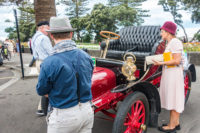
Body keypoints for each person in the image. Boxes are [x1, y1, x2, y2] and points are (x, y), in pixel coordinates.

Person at [36, 16, 94, 133]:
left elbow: (41, 91)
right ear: (71, 34)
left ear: (52, 35)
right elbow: (88, 78)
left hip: (64, 116)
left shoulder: (48, 62)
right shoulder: (86, 56)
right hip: (87, 110)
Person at [153, 21, 184, 133]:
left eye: (162, 31)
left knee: (174, 99)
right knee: (173, 98)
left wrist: (159, 63)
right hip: (170, 73)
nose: (161, 34)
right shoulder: (170, 43)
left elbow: (177, 60)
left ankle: (172, 127)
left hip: (173, 74)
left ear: (168, 32)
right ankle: (176, 123)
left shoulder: (175, 42)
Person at [31, 21, 53, 116]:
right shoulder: (44, 38)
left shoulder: (34, 37)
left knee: (44, 83)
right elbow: (51, 52)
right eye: (47, 27)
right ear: (42, 28)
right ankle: (44, 108)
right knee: (49, 84)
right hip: (45, 62)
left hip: (38, 62)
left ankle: (41, 108)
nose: (49, 30)